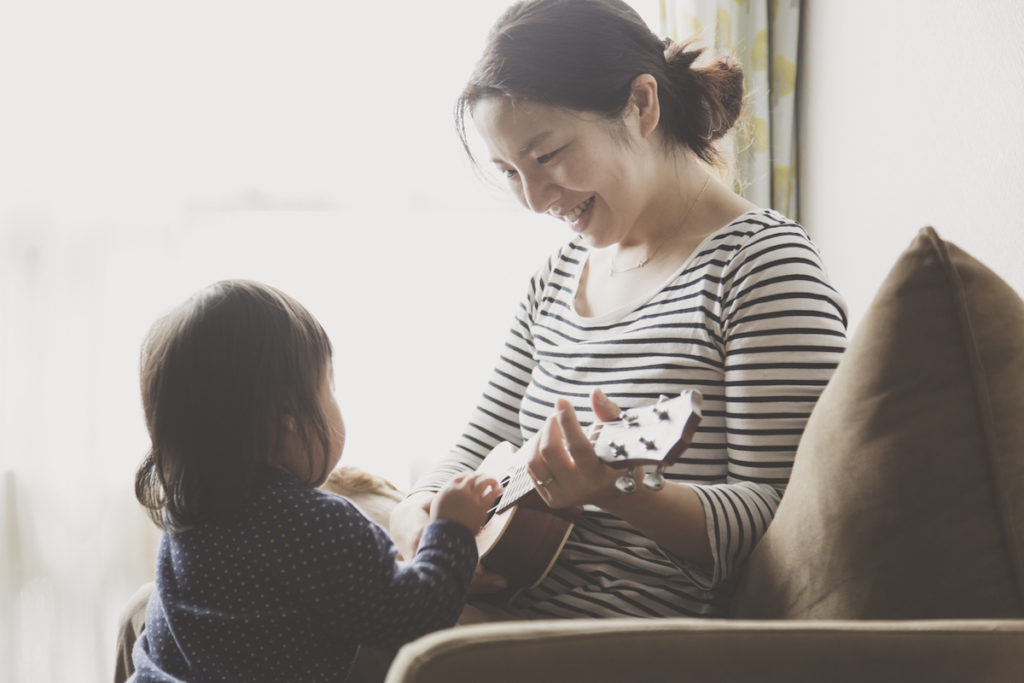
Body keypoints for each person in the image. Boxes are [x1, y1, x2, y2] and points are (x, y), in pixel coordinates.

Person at [389, 0, 848, 620]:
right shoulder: (554, 280)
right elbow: (479, 441)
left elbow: (788, 524)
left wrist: (625, 491)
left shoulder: (761, 267)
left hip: (626, 639)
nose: (533, 199)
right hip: (508, 612)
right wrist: (416, 508)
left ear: (641, 105)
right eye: (509, 172)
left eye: (547, 155)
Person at [125, 279, 500, 681]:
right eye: (329, 387)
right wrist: (450, 531)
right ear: (288, 417)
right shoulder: (316, 526)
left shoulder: (188, 507)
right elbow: (415, 619)